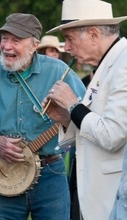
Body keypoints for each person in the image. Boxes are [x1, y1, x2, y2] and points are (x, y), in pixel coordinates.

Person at [0, 13, 85, 220]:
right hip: (3, 172)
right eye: (4, 38)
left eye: (16, 40)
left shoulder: (58, 71)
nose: (7, 46)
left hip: (50, 174)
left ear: (34, 45)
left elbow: (85, 114)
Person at [43, 0, 127, 219]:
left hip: (112, 198)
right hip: (94, 194)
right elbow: (94, 125)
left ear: (93, 34)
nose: (67, 48)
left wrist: (73, 105)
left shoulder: (124, 64)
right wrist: (66, 118)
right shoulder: (108, 63)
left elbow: (113, 135)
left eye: (69, 39)